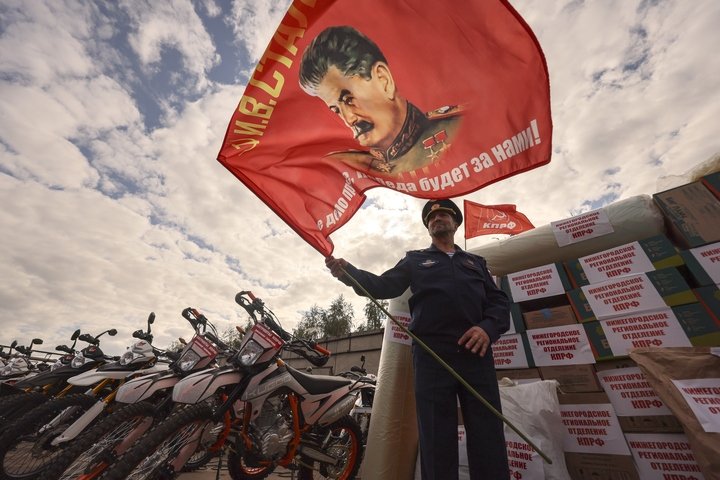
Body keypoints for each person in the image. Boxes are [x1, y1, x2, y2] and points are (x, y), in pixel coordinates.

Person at [325, 198, 510, 479]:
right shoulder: (415, 260)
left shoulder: (475, 262)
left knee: (488, 432)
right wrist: (348, 272)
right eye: (432, 219)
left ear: (455, 223)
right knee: (436, 437)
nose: (438, 219)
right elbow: (382, 285)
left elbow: (498, 303)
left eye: (445, 215)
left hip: (476, 355)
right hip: (432, 357)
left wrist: (487, 328)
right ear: (428, 228)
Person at [299, 26, 462, 175]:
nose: (349, 119)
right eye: (336, 110)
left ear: (383, 80)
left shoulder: (461, 126)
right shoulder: (355, 165)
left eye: (349, 99)